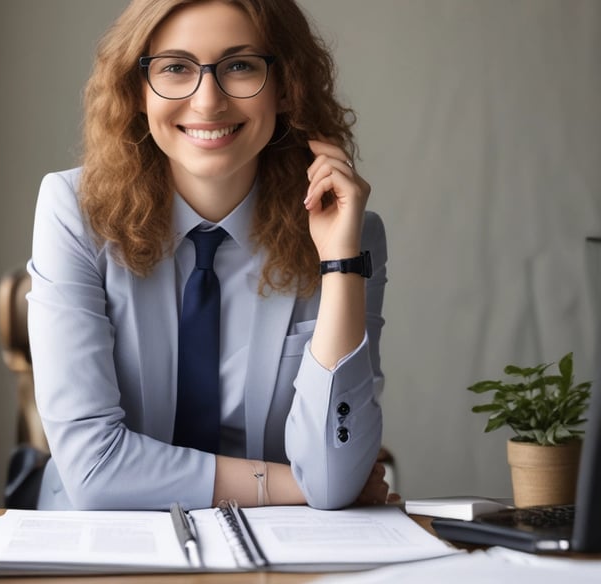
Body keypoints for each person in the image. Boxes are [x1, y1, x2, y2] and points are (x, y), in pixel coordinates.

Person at [27, 0, 392, 511]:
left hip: (278, 547)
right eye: (176, 68)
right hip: (104, 542)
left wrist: (338, 263)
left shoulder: (351, 234)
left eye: (240, 66)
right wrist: (293, 485)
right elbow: (94, 470)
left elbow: (336, 469)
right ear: (136, 91)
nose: (207, 102)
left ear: (287, 86)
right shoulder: (73, 212)